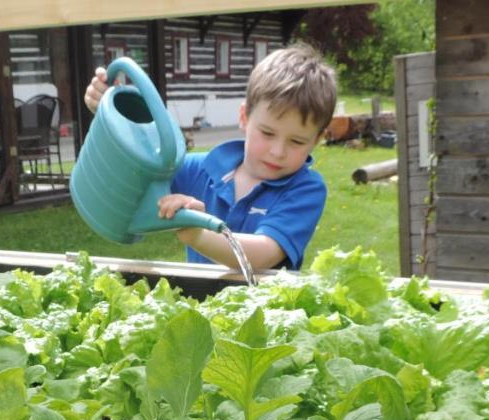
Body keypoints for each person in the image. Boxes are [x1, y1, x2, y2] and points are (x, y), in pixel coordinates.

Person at [84, 45, 336, 271]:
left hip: (267, 318)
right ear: (244, 117)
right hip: (200, 310)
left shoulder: (305, 189)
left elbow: (265, 253)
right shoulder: (202, 169)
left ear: (317, 139)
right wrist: (112, 120)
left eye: (297, 141)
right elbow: (138, 170)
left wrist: (200, 236)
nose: (277, 151)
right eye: (267, 133)